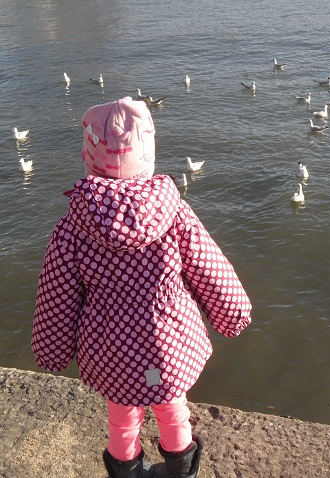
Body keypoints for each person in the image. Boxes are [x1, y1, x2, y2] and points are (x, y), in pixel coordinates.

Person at [31, 97, 252, 478]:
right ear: (147, 155)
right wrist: (232, 314)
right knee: (173, 409)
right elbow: (210, 269)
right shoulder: (175, 213)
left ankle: (127, 472)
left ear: (88, 157)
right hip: (170, 343)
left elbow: (57, 298)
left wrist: (52, 352)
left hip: (110, 350)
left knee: (121, 419)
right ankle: (181, 470)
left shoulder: (71, 229)